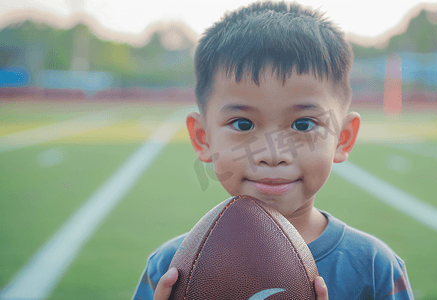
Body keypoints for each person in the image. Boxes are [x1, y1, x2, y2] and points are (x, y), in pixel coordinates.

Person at [132, 1, 414, 299]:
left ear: (342, 138)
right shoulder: (171, 267)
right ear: (203, 138)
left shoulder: (373, 268)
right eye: (242, 124)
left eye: (303, 125)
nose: (272, 153)